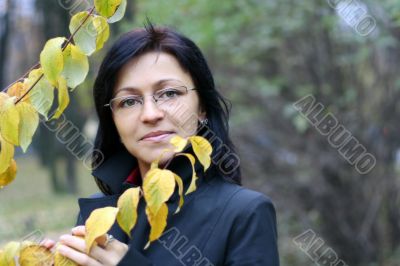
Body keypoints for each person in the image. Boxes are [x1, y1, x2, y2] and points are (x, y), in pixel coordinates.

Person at [42, 23, 279, 265]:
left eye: (169, 94)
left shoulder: (244, 213)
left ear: (202, 107)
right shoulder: (98, 216)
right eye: (129, 101)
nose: (150, 114)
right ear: (112, 120)